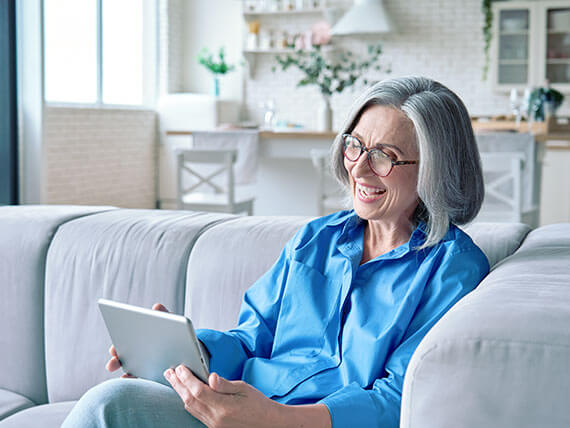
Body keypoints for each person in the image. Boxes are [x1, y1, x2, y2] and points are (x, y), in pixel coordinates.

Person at [62, 76, 489, 428]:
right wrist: (187, 351)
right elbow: (251, 338)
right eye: (355, 145)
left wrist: (275, 418)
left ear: (435, 168)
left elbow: (401, 397)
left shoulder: (453, 269)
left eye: (385, 157)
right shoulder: (315, 239)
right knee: (115, 401)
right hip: (238, 411)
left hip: (303, 423)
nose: (358, 168)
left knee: (109, 406)